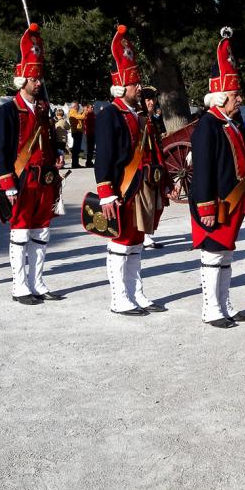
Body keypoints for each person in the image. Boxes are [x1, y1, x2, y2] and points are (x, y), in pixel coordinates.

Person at [190, 27, 245, 328]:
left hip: (231, 203)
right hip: (215, 204)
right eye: (235, 95)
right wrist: (206, 207)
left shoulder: (232, 125)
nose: (240, 99)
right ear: (221, 97)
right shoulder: (207, 126)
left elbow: (242, 160)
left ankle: (224, 304)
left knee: (225, 256)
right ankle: (211, 309)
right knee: (212, 256)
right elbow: (204, 170)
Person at [95, 25, 169, 315]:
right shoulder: (109, 115)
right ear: (121, 86)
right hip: (122, 189)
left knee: (136, 242)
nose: (140, 88)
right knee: (121, 242)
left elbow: (153, 151)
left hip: (142, 187)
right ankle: (119, 298)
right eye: (135, 85)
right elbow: (104, 157)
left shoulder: (140, 116)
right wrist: (106, 193)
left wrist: (163, 181)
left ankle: (135, 292)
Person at [0, 23, 65, 305]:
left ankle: (38, 281)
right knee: (20, 231)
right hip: (21, 178)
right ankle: (19, 285)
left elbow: (47, 137)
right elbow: (1, 149)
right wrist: (7, 181)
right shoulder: (8, 111)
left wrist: (58, 150)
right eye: (34, 79)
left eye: (39, 78)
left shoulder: (44, 109)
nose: (39, 82)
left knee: (42, 231)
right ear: (22, 80)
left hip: (44, 178)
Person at [140, 85, 168, 251]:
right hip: (145, 168)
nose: (151, 102)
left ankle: (148, 236)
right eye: (147, 99)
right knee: (148, 204)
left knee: (157, 204)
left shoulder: (153, 120)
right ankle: (144, 237)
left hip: (155, 168)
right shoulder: (141, 119)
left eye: (152, 99)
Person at [68, 101, 84, 168]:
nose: (78, 108)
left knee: (77, 148)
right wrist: (85, 112)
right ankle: (74, 163)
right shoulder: (72, 112)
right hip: (76, 132)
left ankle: (75, 163)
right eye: (78, 106)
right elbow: (81, 117)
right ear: (75, 106)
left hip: (77, 131)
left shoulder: (74, 112)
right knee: (76, 148)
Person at [83, 102, 96, 167]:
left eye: (92, 107)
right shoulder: (88, 115)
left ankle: (89, 161)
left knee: (91, 148)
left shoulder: (92, 114)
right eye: (91, 107)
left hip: (92, 133)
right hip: (89, 133)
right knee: (89, 148)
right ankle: (88, 162)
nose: (92, 108)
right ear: (87, 108)